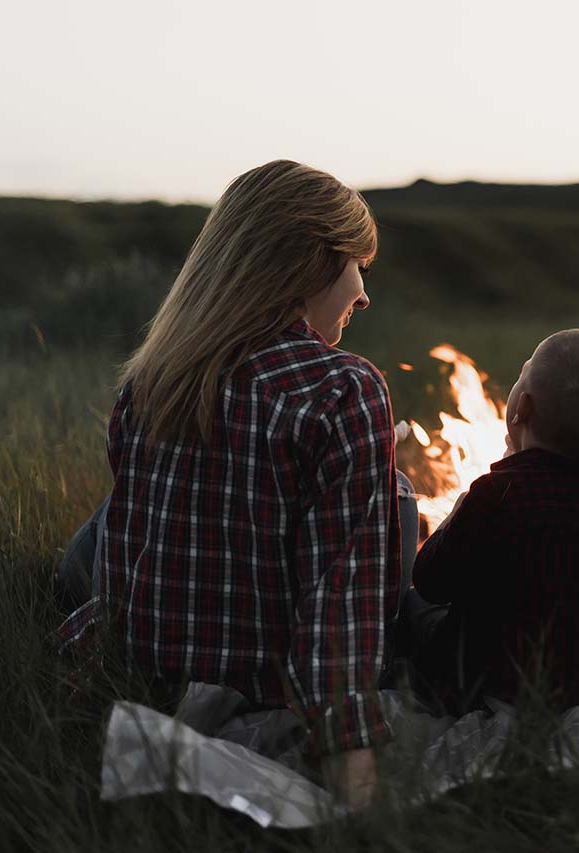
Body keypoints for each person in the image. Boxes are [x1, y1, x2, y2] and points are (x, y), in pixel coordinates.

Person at [53, 160, 399, 806]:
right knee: (401, 507)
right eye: (359, 265)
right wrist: (357, 790)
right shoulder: (343, 387)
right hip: (264, 690)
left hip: (150, 675)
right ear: (311, 261)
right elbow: (338, 603)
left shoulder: (147, 380)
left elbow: (128, 560)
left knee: (105, 519)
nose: (363, 294)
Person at [402, 329, 579, 714]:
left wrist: (453, 517)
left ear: (521, 408)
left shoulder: (492, 493)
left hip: (486, 682)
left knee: (413, 607)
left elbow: (430, 580)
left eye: (521, 374)